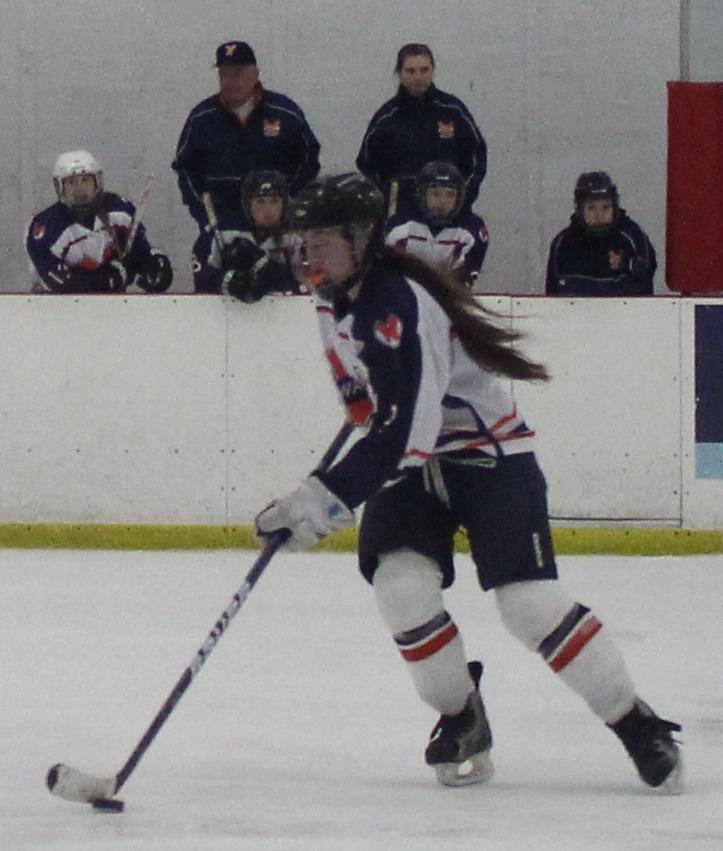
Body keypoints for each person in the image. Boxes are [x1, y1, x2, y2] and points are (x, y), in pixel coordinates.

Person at [255, 173, 682, 792]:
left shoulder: (399, 303)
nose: (307, 252)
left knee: (528, 605)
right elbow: (367, 407)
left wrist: (324, 497)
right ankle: (463, 716)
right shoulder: (331, 298)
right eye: (303, 239)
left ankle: (635, 722)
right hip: (411, 461)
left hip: (485, 450)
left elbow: (411, 434)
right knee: (401, 590)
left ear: (361, 238)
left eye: (321, 238)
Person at [173, 40, 321, 243]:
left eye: (238, 73)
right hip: (224, 234)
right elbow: (186, 169)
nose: (231, 81)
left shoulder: (286, 113)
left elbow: (309, 160)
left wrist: (288, 204)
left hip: (280, 234)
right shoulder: (201, 119)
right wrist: (206, 216)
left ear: (255, 74)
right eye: (224, 74)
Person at [356, 43, 487, 219]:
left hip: (449, 215)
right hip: (401, 216)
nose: (418, 77)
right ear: (399, 74)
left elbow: (477, 155)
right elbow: (366, 162)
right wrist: (388, 196)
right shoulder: (386, 118)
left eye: (424, 70)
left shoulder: (453, 111)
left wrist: (464, 197)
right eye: (410, 71)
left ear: (433, 71)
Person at [26, 150, 172, 294]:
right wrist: (110, 278)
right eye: (71, 182)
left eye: (85, 180)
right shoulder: (46, 228)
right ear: (59, 188)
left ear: (97, 182)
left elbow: (138, 252)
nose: (79, 189)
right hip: (56, 310)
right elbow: (65, 286)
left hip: (113, 307)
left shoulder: (120, 211)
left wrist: (154, 266)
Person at [194, 169, 302, 300]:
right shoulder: (227, 235)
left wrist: (270, 272)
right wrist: (229, 281)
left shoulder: (295, 239)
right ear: (248, 205)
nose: (268, 210)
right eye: (260, 201)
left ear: (284, 204)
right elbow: (202, 280)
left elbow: (307, 285)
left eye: (274, 201)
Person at [546, 172, 657, 296]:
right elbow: (555, 296)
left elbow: (642, 290)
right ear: (580, 210)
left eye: (605, 207)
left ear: (614, 207)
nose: (599, 215)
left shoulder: (633, 238)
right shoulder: (564, 245)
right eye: (592, 208)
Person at [385, 161, 489, 288]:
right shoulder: (399, 226)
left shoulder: (473, 230)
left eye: (450, 195)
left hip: (447, 298)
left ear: (459, 197)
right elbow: (387, 274)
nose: (442, 202)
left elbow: (463, 282)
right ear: (422, 195)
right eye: (435, 194)